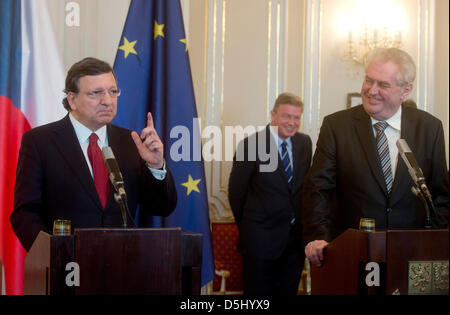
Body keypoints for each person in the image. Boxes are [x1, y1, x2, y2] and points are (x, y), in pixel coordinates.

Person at [302, 48, 449, 267]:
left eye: (383, 84)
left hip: (411, 256)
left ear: (406, 90)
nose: (372, 90)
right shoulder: (337, 126)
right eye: (369, 80)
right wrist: (319, 235)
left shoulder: (429, 128)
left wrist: (430, 244)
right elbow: (318, 189)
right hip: (352, 252)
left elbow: (440, 196)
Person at [11, 57, 177, 251]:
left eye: (113, 92)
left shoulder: (131, 142)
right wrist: (52, 255)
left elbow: (162, 208)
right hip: (66, 269)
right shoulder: (40, 142)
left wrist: (156, 166)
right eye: (96, 93)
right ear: (72, 99)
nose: (107, 101)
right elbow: (25, 214)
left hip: (123, 265)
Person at [228, 92, 312, 295]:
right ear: (273, 114)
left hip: (293, 244)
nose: (292, 122)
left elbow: (304, 188)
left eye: (296, 118)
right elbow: (236, 193)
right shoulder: (251, 144)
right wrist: (251, 228)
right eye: (286, 116)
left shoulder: (304, 143)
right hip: (259, 242)